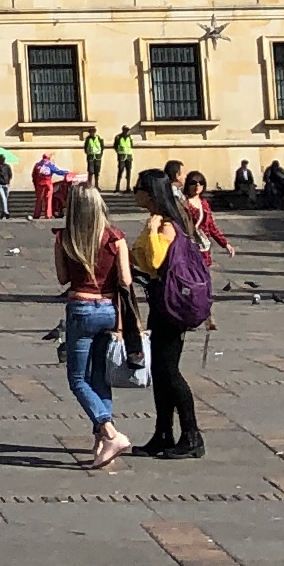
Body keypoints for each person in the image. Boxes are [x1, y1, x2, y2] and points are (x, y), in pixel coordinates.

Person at [55, 183, 140, 470]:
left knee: (78, 379)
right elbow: (126, 280)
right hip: (109, 310)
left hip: (81, 308)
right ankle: (100, 443)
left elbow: (62, 278)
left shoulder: (65, 238)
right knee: (100, 377)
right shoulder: (116, 238)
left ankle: (110, 432)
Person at [135, 178, 207, 459]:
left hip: (171, 305)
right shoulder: (158, 222)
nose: (134, 193)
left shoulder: (166, 226)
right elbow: (141, 258)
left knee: (169, 371)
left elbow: (155, 260)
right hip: (160, 301)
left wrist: (152, 231)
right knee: (160, 371)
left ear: (150, 194)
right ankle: (163, 433)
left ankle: (192, 436)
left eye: (138, 188)